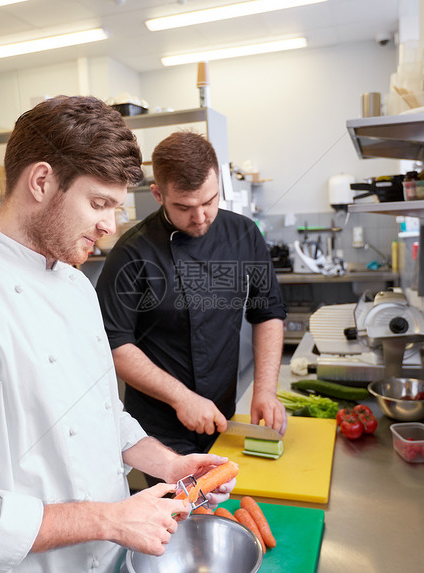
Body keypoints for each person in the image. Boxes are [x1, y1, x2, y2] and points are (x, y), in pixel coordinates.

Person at [0, 96, 235, 573]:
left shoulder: (75, 283)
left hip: (109, 558)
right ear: (41, 181)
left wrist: (170, 465)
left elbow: (102, 415)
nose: (110, 225)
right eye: (99, 203)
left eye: (117, 207)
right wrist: (109, 520)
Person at [95, 131, 288, 475]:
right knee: (175, 522)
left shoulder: (244, 234)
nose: (200, 217)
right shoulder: (131, 253)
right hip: (158, 431)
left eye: (210, 201)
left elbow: (268, 312)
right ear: (158, 194)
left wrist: (265, 391)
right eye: (184, 207)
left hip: (223, 418)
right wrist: (180, 397)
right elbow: (114, 345)